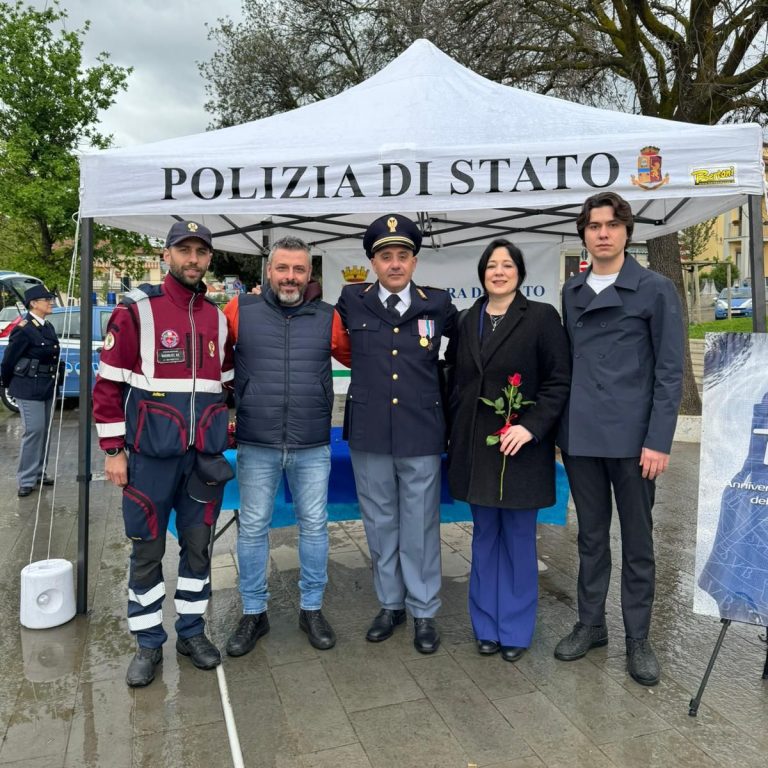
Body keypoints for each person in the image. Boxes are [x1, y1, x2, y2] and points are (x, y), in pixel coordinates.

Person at [93, 220, 234, 688]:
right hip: (149, 458)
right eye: (184, 250)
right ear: (167, 255)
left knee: (198, 551)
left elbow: (226, 384)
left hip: (202, 462)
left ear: (209, 258)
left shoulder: (217, 317)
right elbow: (107, 387)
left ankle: (192, 633)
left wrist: (227, 426)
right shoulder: (137, 310)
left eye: (200, 251)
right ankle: (147, 642)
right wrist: (113, 450)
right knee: (147, 552)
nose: (192, 259)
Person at [555, 191, 684, 686]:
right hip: (584, 437)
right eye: (593, 225)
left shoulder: (655, 288)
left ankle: (638, 638)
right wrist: (564, 434)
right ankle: (590, 624)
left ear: (627, 231)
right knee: (589, 538)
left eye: (611, 224)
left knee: (638, 541)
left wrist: (659, 441)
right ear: (583, 234)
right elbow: (569, 367)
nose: (602, 233)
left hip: (635, 443)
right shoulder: (571, 292)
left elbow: (670, 372)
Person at [222, 236, 350, 656]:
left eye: (298, 269)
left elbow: (362, 357)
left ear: (309, 274)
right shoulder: (240, 310)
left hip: (312, 441)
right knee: (254, 527)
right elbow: (212, 358)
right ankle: (254, 612)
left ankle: (311, 608)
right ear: (269, 270)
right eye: (283, 268)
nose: (290, 277)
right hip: (256, 440)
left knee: (314, 526)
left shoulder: (328, 317)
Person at [336, 213, 457, 654]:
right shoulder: (351, 301)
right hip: (369, 432)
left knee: (421, 525)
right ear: (373, 262)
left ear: (414, 260)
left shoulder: (439, 304)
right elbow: (340, 349)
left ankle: (424, 610)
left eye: (402, 255)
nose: (394, 264)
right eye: (385, 256)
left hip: (422, 430)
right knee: (380, 523)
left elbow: (460, 361)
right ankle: (390, 604)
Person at [447, 240, 570, 662]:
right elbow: (456, 380)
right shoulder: (468, 319)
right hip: (478, 450)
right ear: (482, 273)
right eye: (491, 266)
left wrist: (531, 428)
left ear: (519, 271)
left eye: (507, 265)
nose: (499, 272)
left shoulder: (541, 318)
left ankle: (515, 630)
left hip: (521, 449)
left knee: (518, 542)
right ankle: (485, 626)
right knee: (483, 540)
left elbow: (558, 382)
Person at [0, 285, 60, 497]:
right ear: (34, 303)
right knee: (33, 431)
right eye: (47, 299)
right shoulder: (24, 329)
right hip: (27, 387)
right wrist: (8, 384)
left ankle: (39, 473)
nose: (51, 302)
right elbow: (8, 361)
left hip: (46, 386)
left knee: (44, 431)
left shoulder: (47, 327)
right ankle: (26, 479)